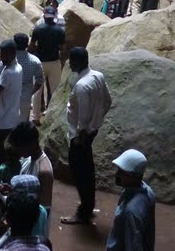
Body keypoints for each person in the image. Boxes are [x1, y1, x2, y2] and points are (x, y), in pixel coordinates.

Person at [60, 47, 112, 225]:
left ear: (77, 62)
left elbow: (82, 117)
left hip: (80, 136)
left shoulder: (82, 86)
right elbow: (108, 101)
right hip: (90, 132)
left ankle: (83, 212)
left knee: (80, 172)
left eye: (71, 61)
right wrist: (95, 123)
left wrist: (82, 133)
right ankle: (88, 205)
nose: (69, 64)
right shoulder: (98, 76)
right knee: (87, 170)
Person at [106, 149, 155, 251]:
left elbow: (134, 246)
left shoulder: (131, 211)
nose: (116, 174)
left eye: (121, 172)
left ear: (133, 176)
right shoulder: (147, 190)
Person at [9, 122, 54, 230]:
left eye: (20, 147)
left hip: (33, 229)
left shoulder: (44, 172)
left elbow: (44, 211)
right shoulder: (27, 159)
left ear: (32, 144)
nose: (17, 151)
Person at [0, 40, 23, 172]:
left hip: (2, 120)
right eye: (1, 53)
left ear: (13, 54)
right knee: (8, 152)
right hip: (13, 117)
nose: (2, 56)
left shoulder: (8, 72)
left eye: (4, 54)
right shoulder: (18, 67)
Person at [30, 5, 65, 125]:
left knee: (37, 91)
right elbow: (62, 47)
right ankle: (53, 116)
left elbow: (32, 45)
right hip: (54, 63)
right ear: (55, 16)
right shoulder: (60, 30)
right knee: (55, 91)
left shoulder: (38, 29)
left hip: (40, 62)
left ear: (44, 16)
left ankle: (35, 117)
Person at [13, 34, 44, 123]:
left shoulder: (7, 59)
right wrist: (30, 92)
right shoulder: (35, 61)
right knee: (23, 124)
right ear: (27, 44)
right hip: (25, 97)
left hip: (8, 96)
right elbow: (39, 81)